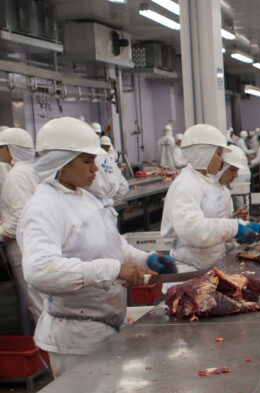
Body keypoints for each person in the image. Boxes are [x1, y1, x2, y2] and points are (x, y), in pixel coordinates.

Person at [17, 117, 175, 377]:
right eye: (87, 161)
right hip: (76, 337)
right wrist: (113, 270)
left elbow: (114, 246)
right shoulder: (43, 207)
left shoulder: (84, 197)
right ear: (61, 163)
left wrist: (144, 259)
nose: (95, 169)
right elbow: (40, 271)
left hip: (106, 324)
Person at [161, 124, 260, 271]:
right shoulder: (185, 184)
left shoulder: (207, 182)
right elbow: (193, 231)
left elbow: (218, 221)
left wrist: (243, 225)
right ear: (203, 153)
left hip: (214, 266)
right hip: (189, 271)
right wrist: (234, 228)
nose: (222, 160)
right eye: (218, 153)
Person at [0, 127, 43, 320]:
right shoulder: (33, 169)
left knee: (36, 302)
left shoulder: (15, 176)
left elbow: (20, 217)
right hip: (38, 241)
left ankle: (47, 346)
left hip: (23, 246)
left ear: (10, 149)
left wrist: (1, 230)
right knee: (44, 298)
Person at [85, 136, 129, 219]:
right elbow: (124, 187)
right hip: (109, 212)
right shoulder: (109, 159)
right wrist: (109, 200)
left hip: (92, 211)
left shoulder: (89, 157)